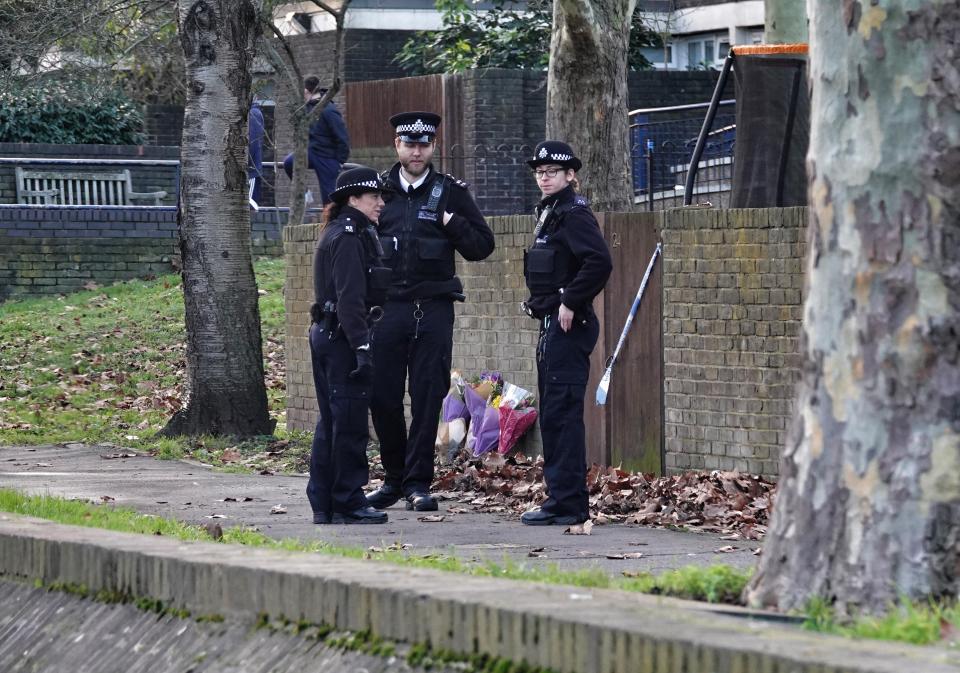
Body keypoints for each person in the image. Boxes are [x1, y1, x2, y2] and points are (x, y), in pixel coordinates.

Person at [366, 111, 495, 512]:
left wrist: (453, 224)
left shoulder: (449, 192)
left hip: (432, 310)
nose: (416, 151)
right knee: (383, 396)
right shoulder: (377, 192)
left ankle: (418, 482)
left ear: (433, 147)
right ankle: (392, 479)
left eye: (424, 145)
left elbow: (482, 247)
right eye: (409, 144)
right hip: (385, 312)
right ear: (397, 147)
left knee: (425, 397)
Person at [519, 141, 612, 526]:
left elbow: (599, 261)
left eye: (552, 172)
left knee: (562, 415)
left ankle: (569, 503)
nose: (544, 177)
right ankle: (560, 498)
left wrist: (570, 301)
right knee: (554, 415)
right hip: (552, 326)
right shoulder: (551, 212)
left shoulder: (573, 213)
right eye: (539, 172)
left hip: (569, 329)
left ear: (570, 175)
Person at [307, 165, 392, 525]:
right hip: (341, 340)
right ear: (353, 199)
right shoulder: (348, 237)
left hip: (329, 335)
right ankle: (348, 500)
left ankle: (325, 502)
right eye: (374, 197)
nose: (381, 203)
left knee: (332, 421)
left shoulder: (345, 231)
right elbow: (350, 300)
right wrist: (362, 347)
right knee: (349, 423)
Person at [282, 75, 351, 205]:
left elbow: (342, 137)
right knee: (289, 163)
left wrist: (340, 161)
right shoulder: (306, 108)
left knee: (329, 198)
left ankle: (331, 222)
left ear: (307, 91)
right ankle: (305, 192)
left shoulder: (329, 110)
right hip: (311, 152)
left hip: (328, 157)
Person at [247, 99, 265, 208]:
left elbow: (252, 143)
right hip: (249, 170)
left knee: (247, 208)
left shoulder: (253, 113)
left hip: (250, 172)